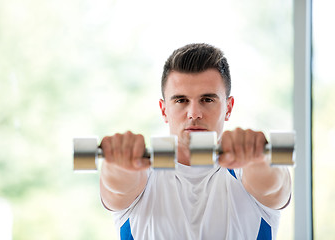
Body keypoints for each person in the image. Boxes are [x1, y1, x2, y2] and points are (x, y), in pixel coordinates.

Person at [99, 43, 292, 240]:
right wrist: (117, 161)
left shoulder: (249, 172)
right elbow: (117, 184)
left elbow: (274, 184)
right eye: (181, 100)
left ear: (228, 107)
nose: (194, 114)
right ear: (164, 109)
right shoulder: (141, 175)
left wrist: (257, 156)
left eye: (207, 100)